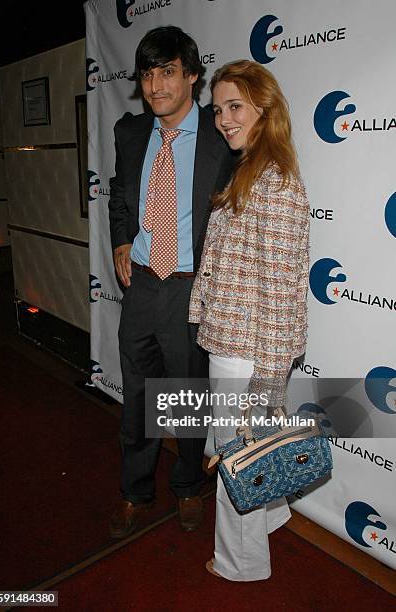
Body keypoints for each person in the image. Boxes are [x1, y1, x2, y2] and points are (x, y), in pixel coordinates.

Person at [108, 26, 234, 538]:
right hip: (141, 284)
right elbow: (119, 193)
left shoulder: (222, 135)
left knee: (183, 399)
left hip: (190, 289)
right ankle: (135, 493)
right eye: (147, 73)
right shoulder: (131, 133)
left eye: (167, 72)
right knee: (138, 399)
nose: (156, 85)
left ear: (192, 76)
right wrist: (121, 238)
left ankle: (186, 487)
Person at [189, 60, 310, 581]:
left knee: (235, 454)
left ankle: (240, 563)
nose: (223, 119)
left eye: (234, 106)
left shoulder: (277, 184)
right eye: (218, 110)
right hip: (232, 341)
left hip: (248, 352)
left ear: (265, 109)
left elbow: (283, 295)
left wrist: (265, 386)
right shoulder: (250, 170)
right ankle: (274, 514)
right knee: (246, 448)